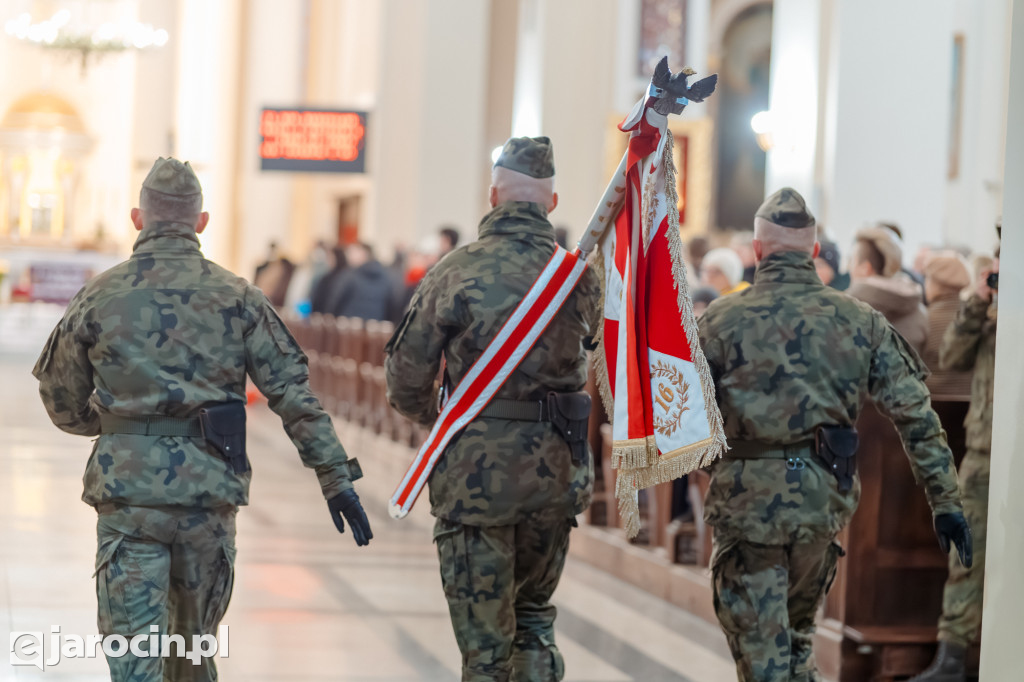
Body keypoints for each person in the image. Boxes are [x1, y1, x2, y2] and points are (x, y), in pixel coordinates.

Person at [32, 158, 373, 682]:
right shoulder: (238, 297)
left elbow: (59, 398)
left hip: (130, 501)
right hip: (208, 502)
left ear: (136, 219)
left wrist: (109, 426)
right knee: (192, 656)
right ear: (202, 222)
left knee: (135, 663)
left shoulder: (100, 294)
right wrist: (335, 478)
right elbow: (293, 395)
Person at [697, 187, 971, 682]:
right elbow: (916, 415)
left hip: (746, 506)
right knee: (799, 645)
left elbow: (685, 418)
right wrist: (946, 501)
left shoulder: (718, 319)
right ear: (815, 251)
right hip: (819, 504)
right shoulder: (860, 320)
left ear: (758, 251)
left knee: (763, 660)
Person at [384, 136, 600, 682]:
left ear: (492, 196)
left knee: (485, 650)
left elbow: (405, 377)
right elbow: (594, 354)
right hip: (556, 471)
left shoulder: (456, 271)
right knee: (533, 620)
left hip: (476, 477)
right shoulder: (579, 277)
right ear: (551, 203)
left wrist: (450, 421)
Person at [911, 244, 999, 682]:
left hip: (1011, 451)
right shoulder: (986, 313)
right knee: (967, 553)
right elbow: (952, 357)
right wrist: (977, 306)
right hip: (984, 451)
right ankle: (951, 659)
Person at [847, 225, 928, 351]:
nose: (849, 268)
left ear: (865, 268)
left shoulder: (845, 308)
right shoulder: (919, 310)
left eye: (852, 261)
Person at [920, 251, 973, 398]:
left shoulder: (923, 318)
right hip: (969, 403)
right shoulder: (974, 317)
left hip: (932, 403)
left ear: (935, 284)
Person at [325, 242, 404, 323]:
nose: (350, 256)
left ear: (363, 254)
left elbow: (336, 301)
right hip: (375, 327)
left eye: (353, 252)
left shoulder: (350, 276)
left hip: (349, 326)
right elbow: (392, 306)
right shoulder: (386, 277)